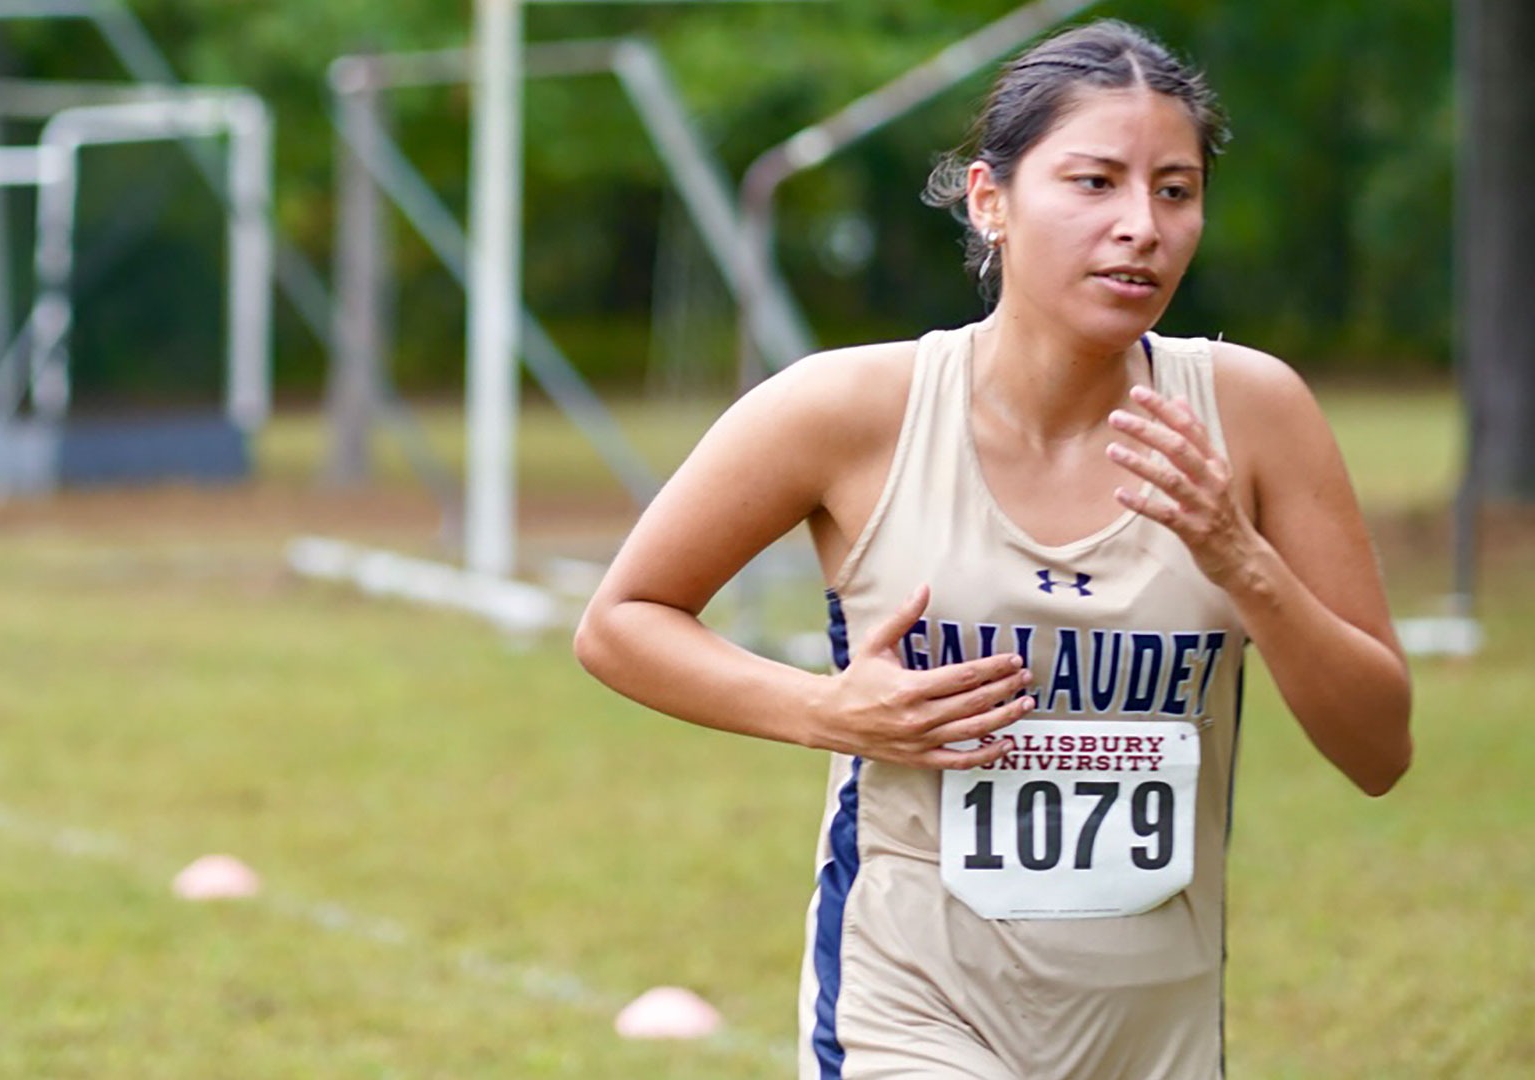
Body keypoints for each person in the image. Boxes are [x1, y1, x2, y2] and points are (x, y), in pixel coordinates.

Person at [572, 19, 1412, 1079]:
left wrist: (1239, 557)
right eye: (1094, 181)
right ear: (989, 200)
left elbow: (1379, 749)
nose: (1139, 226)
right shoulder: (848, 408)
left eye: (1174, 190)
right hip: (910, 1013)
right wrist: (825, 710)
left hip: (1156, 1032)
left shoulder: (1254, 413)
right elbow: (621, 622)